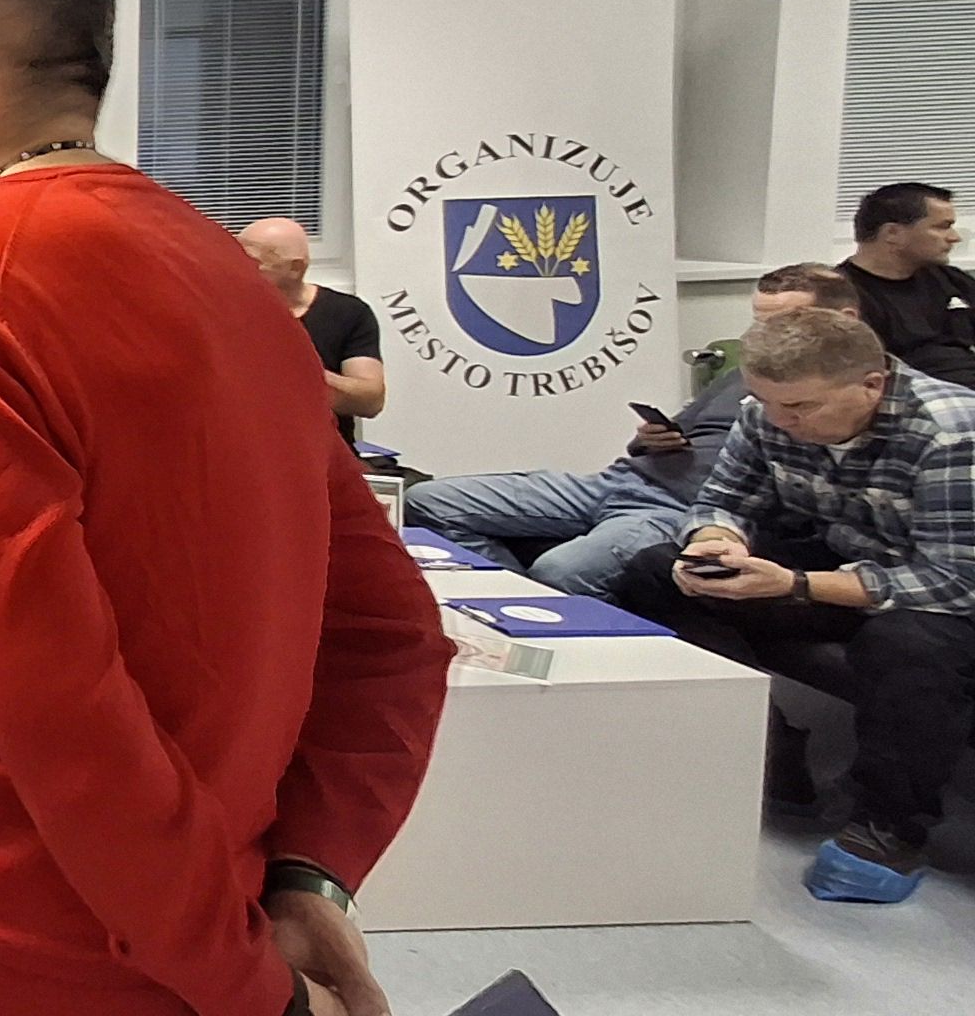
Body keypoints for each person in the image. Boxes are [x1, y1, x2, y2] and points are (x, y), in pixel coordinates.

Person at [0, 0, 450, 1016]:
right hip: (204, 926)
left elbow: (63, 719)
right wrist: (306, 873)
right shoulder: (224, 273)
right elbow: (392, 629)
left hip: (10, 966)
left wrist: (251, 988)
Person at [609, 307, 975, 905]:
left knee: (906, 644)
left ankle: (889, 828)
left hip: (946, 598)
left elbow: (953, 583)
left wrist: (795, 585)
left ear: (872, 385)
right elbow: (724, 501)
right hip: (851, 564)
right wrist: (715, 544)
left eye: (801, 407)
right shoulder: (767, 413)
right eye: (767, 402)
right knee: (659, 572)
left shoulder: (952, 433)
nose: (782, 421)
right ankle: (765, 745)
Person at [404, 263, 860, 595]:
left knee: (559, 572)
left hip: (679, 509)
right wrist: (648, 440)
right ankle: (507, 605)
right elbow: (682, 431)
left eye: (782, 324)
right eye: (758, 324)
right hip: (622, 478)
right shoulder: (746, 372)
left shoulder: (840, 397)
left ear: (844, 320)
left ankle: (537, 620)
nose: (760, 339)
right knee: (427, 501)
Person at [238, 218, 385, 442]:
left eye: (251, 263)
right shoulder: (222, 311)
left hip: (324, 453)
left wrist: (301, 371)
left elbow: (370, 401)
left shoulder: (348, 313)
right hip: (242, 449)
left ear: (295, 268)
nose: (238, 270)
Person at [840, 182, 975, 388]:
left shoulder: (950, 279)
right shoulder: (841, 294)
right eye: (942, 227)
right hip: (917, 395)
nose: (954, 238)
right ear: (892, 233)